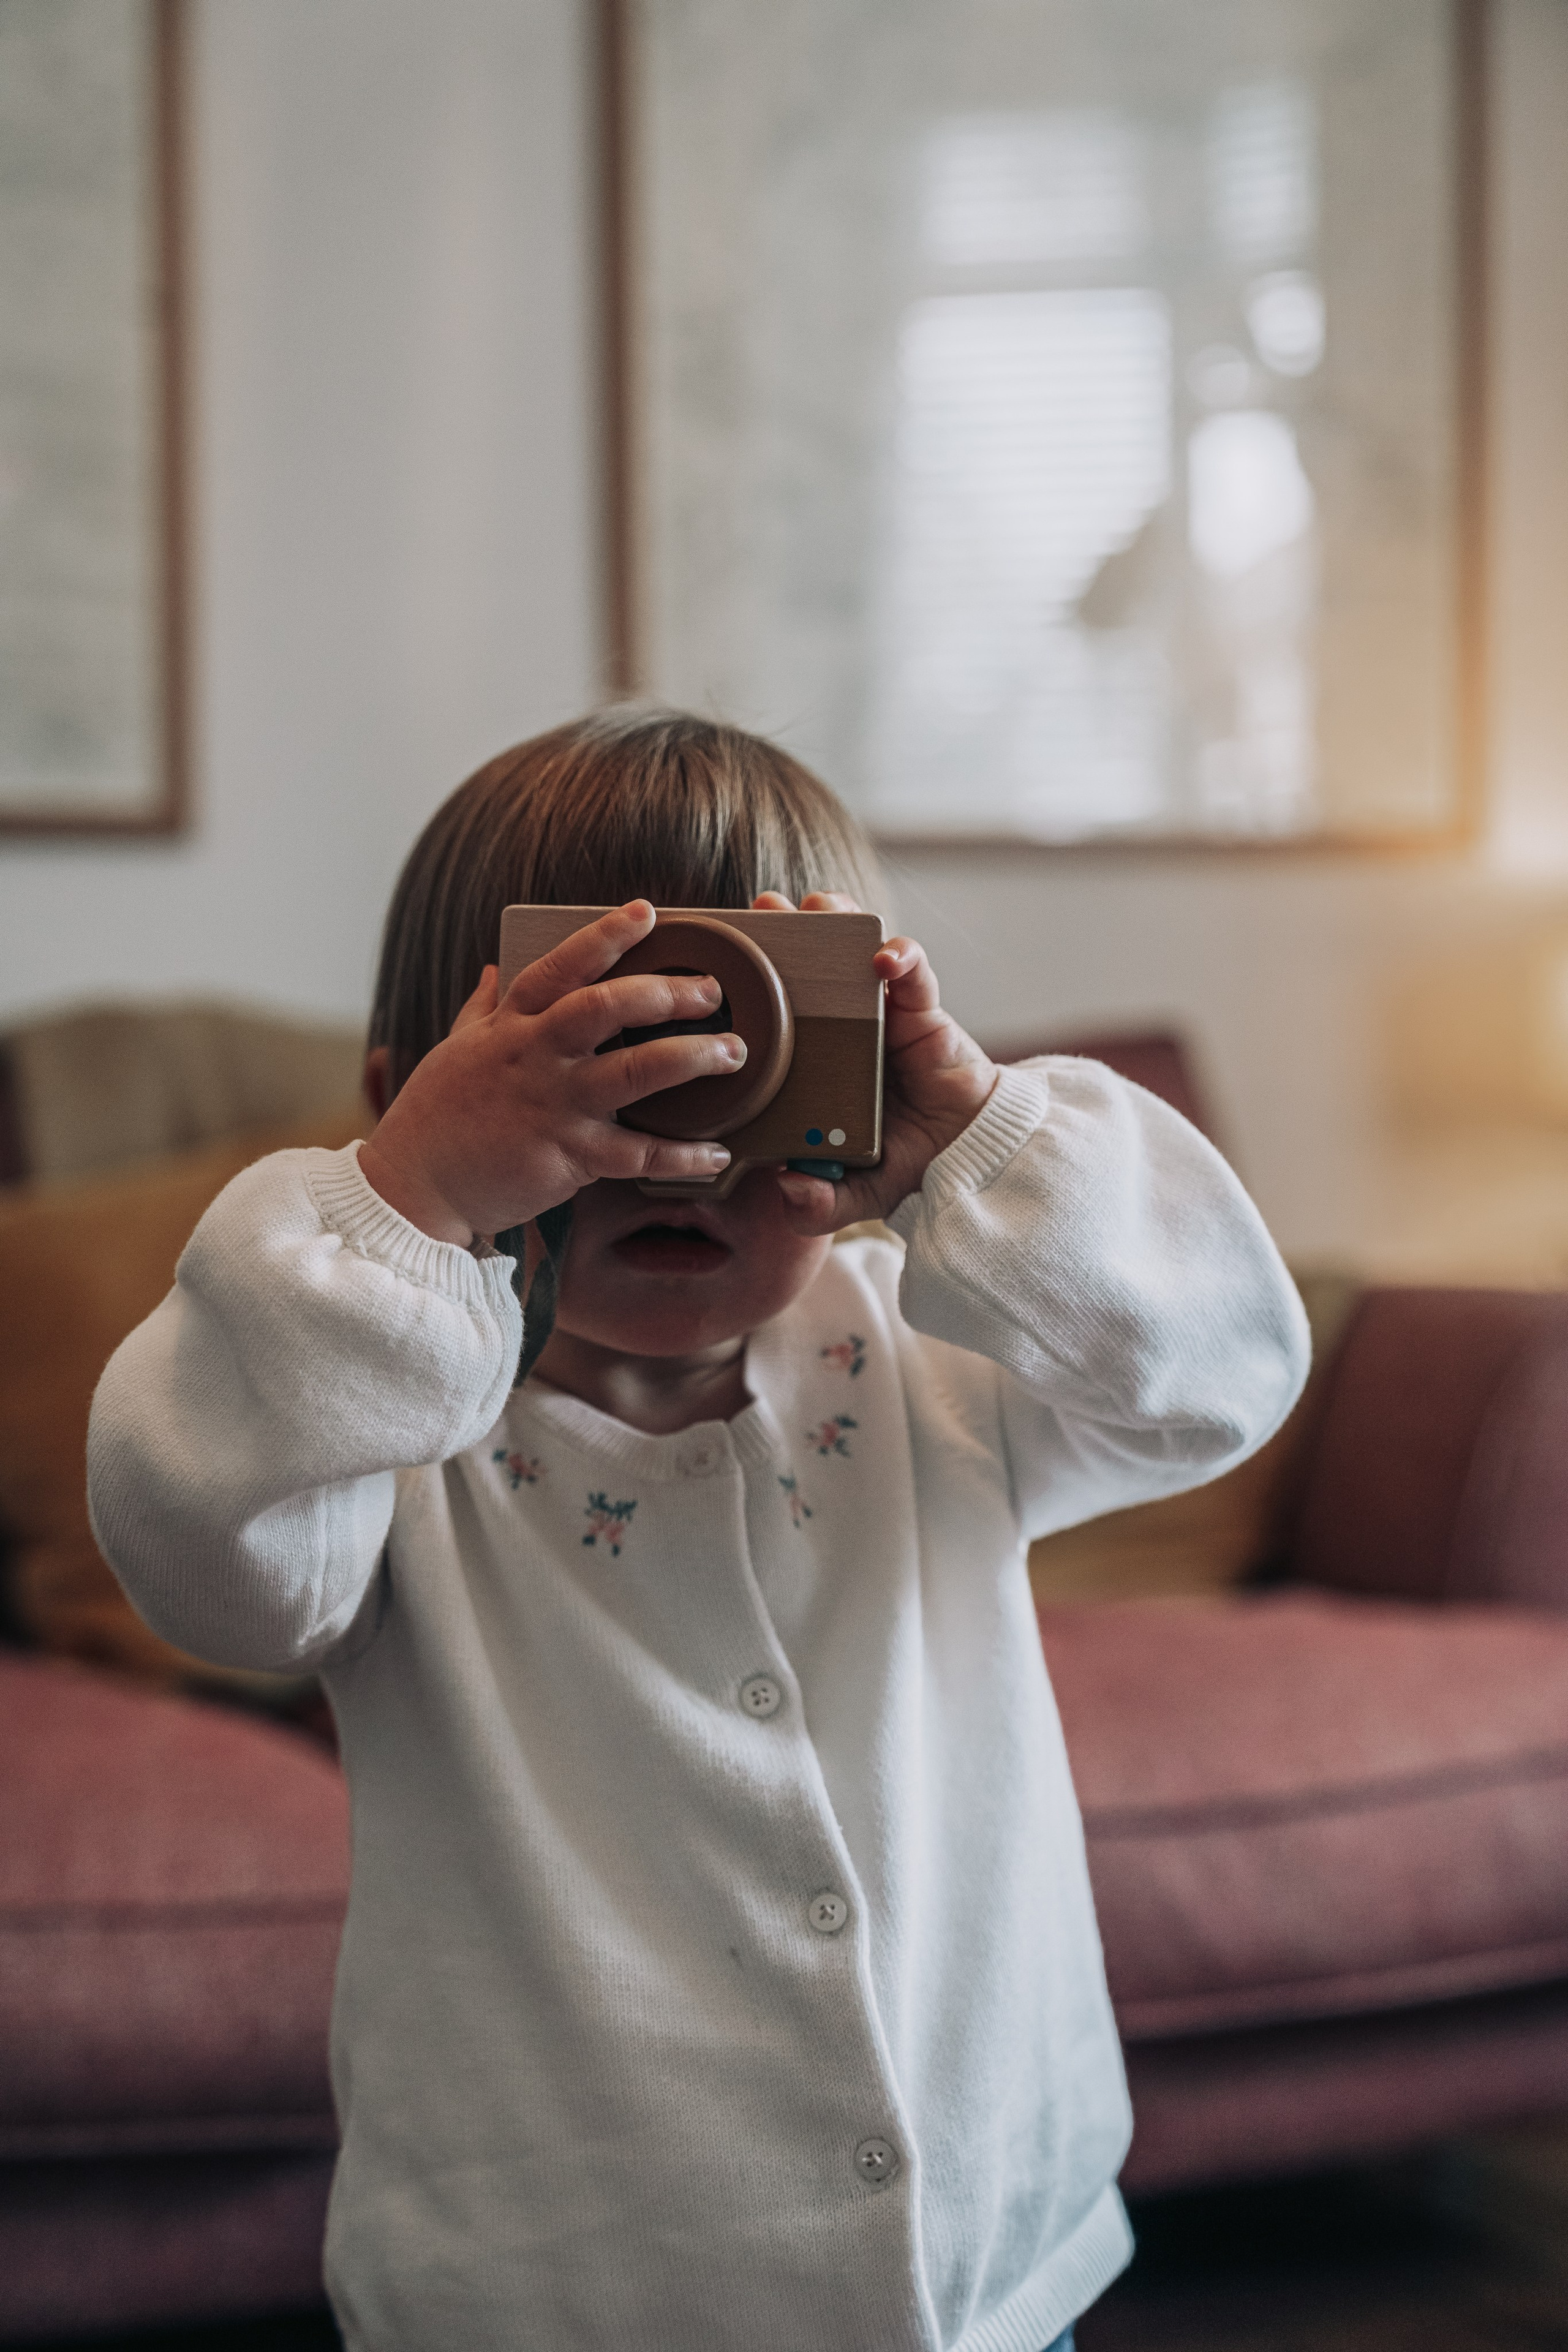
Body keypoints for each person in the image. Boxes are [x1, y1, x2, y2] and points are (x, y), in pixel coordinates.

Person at [88, 707, 1309, 2352]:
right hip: (553, 2305)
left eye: (757, 1089)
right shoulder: (373, 1425)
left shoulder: (935, 1354)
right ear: (421, 1107)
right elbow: (195, 1537)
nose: (683, 1167)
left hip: (992, 2284)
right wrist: (404, 1213)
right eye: (595, 1095)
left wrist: (979, 1143)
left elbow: (1224, 1371)